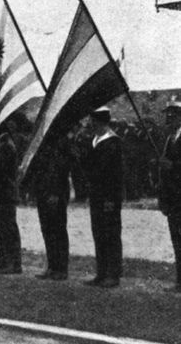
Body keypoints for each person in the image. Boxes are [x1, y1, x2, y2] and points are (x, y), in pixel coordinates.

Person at [83, 106, 124, 288]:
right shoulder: (96, 141)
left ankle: (112, 274)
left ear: (99, 121)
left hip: (108, 198)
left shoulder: (113, 142)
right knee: (99, 233)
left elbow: (115, 176)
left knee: (111, 235)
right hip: (96, 196)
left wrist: (110, 199)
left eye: (92, 120)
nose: (89, 124)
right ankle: (102, 272)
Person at [29, 135, 72, 280]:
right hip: (44, 191)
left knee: (58, 230)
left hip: (55, 193)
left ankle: (61, 268)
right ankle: (52, 266)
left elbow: (60, 170)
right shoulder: (42, 142)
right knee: (47, 229)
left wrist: (55, 192)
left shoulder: (60, 142)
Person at [0, 120, 22, 274]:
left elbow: (1, 168)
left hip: (5, 191)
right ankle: (4, 260)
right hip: (0, 192)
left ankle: (13, 263)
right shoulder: (0, 143)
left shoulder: (6, 145)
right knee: (1, 228)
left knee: (8, 228)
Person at [158, 101, 181, 292]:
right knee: (176, 239)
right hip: (172, 198)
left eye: (172, 116)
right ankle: (179, 280)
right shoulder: (169, 139)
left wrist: (173, 166)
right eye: (167, 115)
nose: (168, 119)